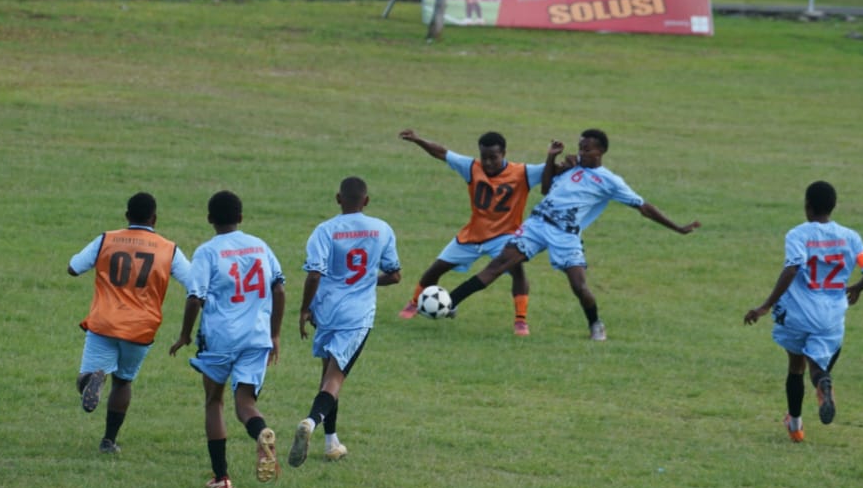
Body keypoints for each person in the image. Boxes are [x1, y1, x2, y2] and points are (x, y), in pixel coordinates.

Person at [445, 129, 700, 341]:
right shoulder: (570, 167)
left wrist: (677, 227)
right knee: (498, 265)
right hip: (537, 224)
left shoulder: (610, 181)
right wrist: (550, 159)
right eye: (580, 147)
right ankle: (450, 302)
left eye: (587, 149)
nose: (581, 152)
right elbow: (545, 189)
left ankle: (595, 324)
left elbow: (643, 207)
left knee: (578, 286)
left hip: (565, 235)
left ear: (601, 152)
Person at [743, 181, 863, 443]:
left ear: (807, 206)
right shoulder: (851, 238)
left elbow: (792, 267)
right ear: (833, 206)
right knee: (817, 367)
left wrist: (765, 305)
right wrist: (858, 288)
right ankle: (823, 384)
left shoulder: (798, 235)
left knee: (796, 367)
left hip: (798, 313)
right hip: (831, 316)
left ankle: (795, 426)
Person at [169, 191, 285, 488]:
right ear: (241, 218)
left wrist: (184, 334)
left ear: (209, 219)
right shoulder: (260, 246)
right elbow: (280, 289)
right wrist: (274, 334)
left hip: (220, 339)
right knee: (245, 404)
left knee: (214, 401)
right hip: (256, 337)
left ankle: (221, 478)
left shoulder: (208, 252)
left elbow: (195, 297)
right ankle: (261, 433)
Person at [288, 177, 401, 467]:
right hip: (357, 316)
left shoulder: (324, 231)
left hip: (326, 311)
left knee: (327, 374)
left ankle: (331, 442)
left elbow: (314, 274)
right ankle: (311, 422)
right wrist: (366, 281)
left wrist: (304, 309)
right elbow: (395, 274)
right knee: (335, 380)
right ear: (366, 200)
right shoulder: (381, 229)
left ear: (338, 198)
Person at [68, 192, 192, 453]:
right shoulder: (168, 249)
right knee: (123, 382)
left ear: (127, 216)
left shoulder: (107, 239)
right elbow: (194, 283)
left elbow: (73, 267)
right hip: (141, 328)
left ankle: (94, 380)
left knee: (84, 377)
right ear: (154, 219)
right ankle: (108, 441)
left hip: (104, 322)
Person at [397, 129, 546, 335]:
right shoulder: (472, 167)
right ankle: (414, 303)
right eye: (484, 157)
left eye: (493, 158)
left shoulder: (523, 172)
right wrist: (418, 140)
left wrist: (565, 161)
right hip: (473, 234)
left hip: (505, 236)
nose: (488, 163)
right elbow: (442, 153)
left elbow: (551, 169)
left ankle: (520, 320)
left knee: (517, 271)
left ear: (504, 153)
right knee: (437, 268)